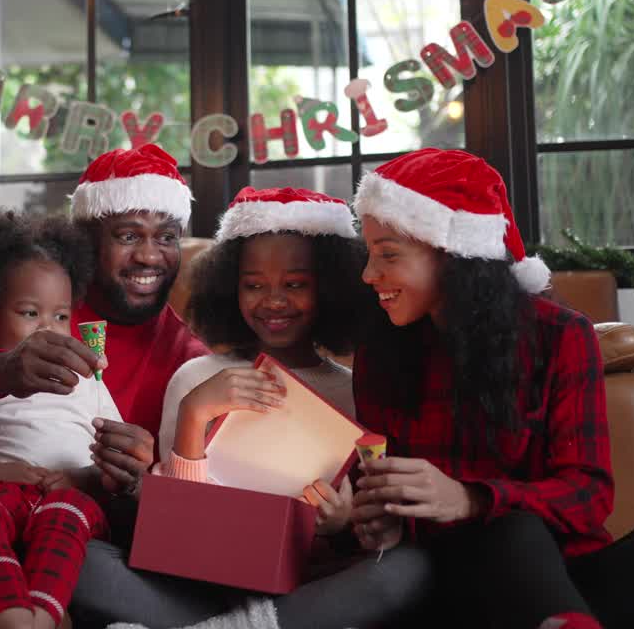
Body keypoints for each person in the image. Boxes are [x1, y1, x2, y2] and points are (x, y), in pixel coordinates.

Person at [348, 148, 634, 629]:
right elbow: (386, 507)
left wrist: (469, 497)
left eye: (388, 254)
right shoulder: (380, 355)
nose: (368, 274)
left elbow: (588, 493)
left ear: (455, 257)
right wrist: (383, 526)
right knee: (508, 526)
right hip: (456, 586)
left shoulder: (560, 335)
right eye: (369, 254)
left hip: (569, 575)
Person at [0, 144, 210, 624]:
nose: (148, 255)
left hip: (67, 530)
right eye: (127, 235)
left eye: (166, 237)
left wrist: (137, 482)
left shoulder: (188, 359)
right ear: (85, 238)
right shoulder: (22, 290)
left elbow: (197, 512)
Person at [106, 188, 431, 629]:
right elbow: (178, 528)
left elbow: (361, 536)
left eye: (295, 285)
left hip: (301, 588)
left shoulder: (355, 389)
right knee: (87, 561)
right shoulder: (195, 378)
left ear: (330, 289)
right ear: (228, 288)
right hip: (196, 583)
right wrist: (195, 413)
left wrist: (339, 523)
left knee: (406, 572)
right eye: (254, 285)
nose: (273, 301)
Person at [0, 208, 113, 629]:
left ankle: (43, 614)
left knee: (66, 512)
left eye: (61, 316)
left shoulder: (90, 384)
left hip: (67, 497)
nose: (48, 329)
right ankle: (11, 615)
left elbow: (114, 464)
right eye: (31, 314)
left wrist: (83, 478)